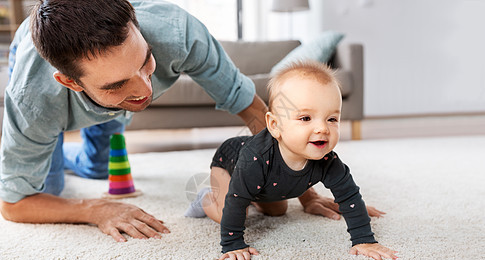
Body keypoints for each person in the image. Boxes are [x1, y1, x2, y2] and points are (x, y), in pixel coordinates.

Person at [0, 0, 339, 242]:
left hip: (100, 100)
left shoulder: (178, 33)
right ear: (71, 82)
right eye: (118, 84)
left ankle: (66, 145)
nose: (144, 91)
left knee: (101, 167)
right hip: (45, 95)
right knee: (49, 189)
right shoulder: (33, 98)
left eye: (146, 63)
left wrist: (305, 192)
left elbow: (251, 111)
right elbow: (13, 205)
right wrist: (96, 209)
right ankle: (47, 144)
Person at [185, 61, 397, 260]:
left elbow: (349, 195)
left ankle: (252, 192)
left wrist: (364, 240)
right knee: (232, 212)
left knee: (278, 210)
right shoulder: (255, 158)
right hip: (228, 162)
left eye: (331, 119)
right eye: (306, 118)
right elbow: (236, 199)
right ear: (275, 125)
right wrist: (233, 244)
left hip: (264, 182)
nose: (322, 129)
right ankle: (206, 197)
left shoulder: (328, 160)